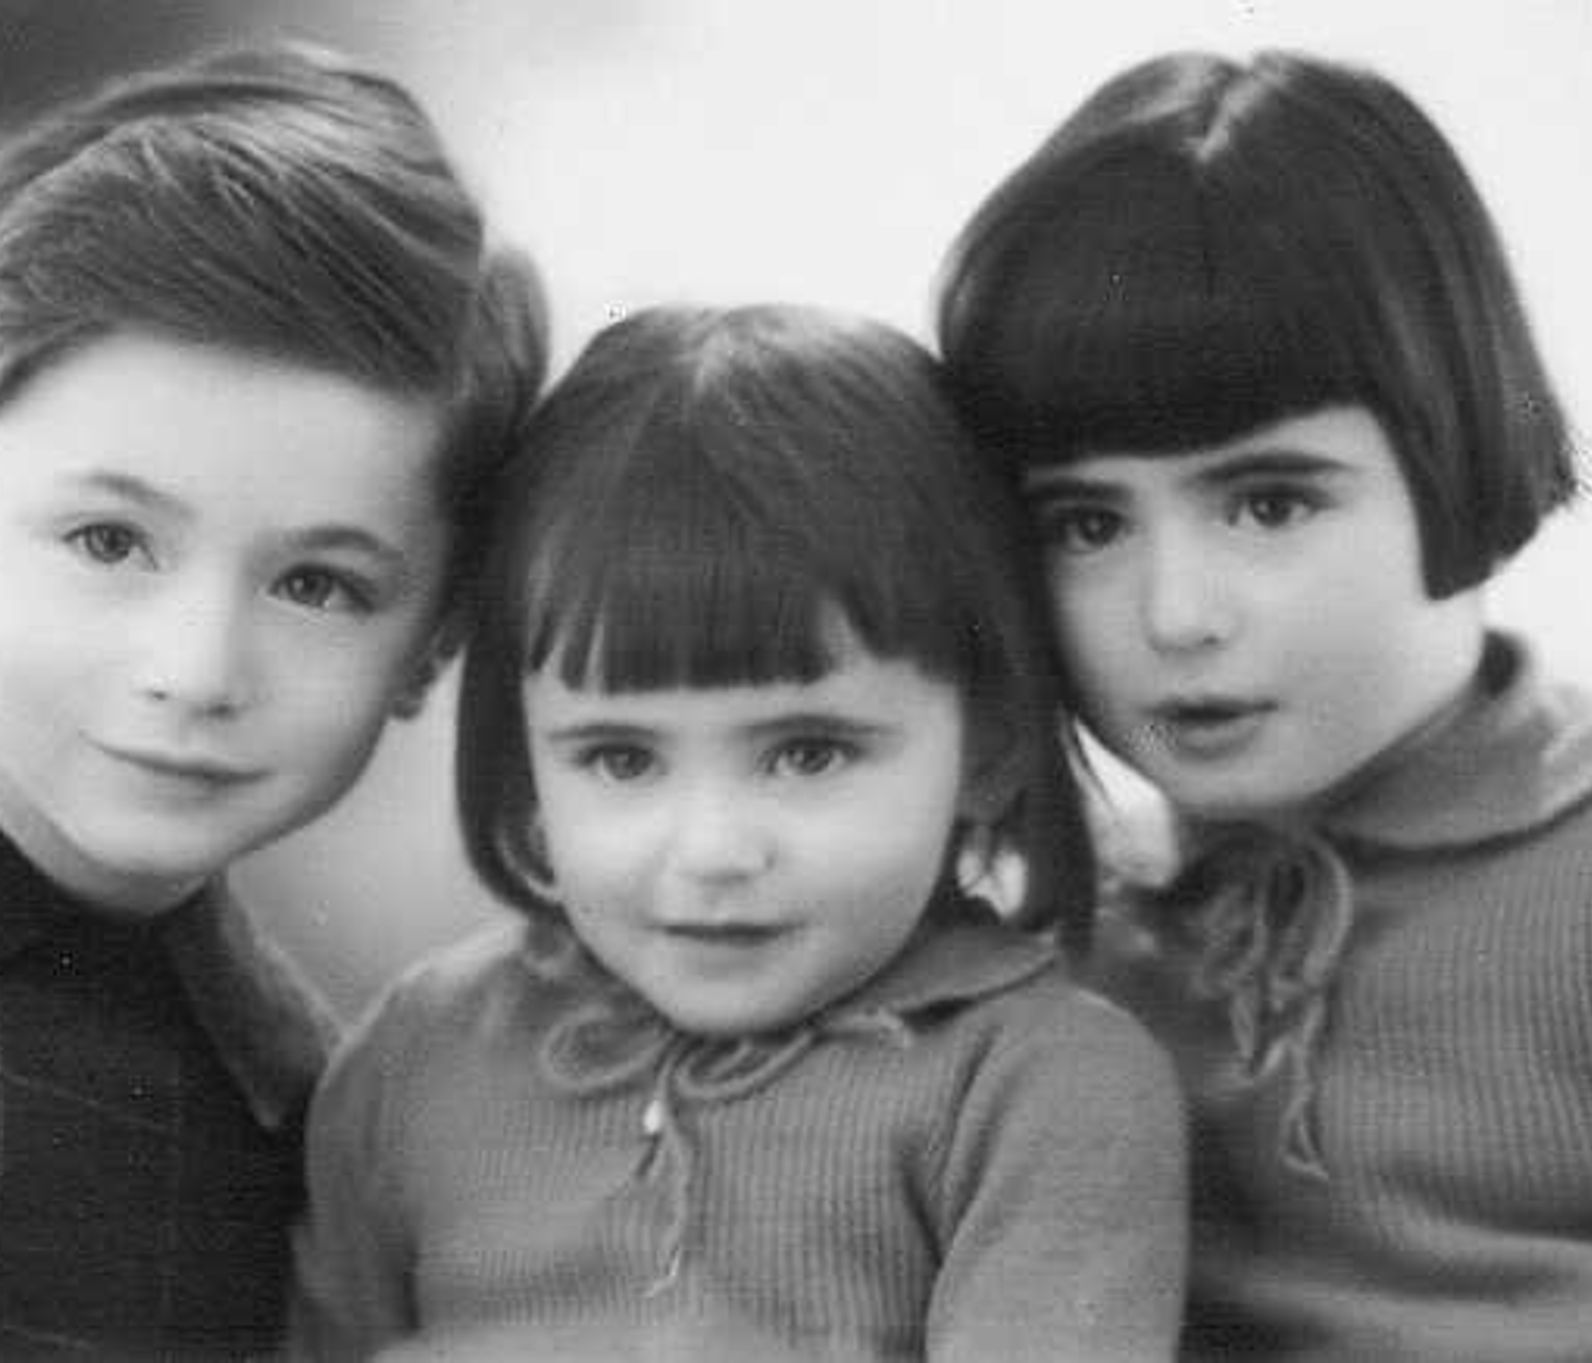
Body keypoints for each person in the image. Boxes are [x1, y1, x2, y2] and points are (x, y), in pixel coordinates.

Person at [0, 42, 545, 1359]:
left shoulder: (315, 1107)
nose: (198, 668)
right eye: (110, 541)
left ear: (432, 644)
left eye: (318, 583)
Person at [936, 47, 1592, 1361]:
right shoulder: (1071, 928)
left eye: (1270, 501)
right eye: (1083, 522)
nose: (1176, 610)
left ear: (1460, 449)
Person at [290, 303, 1186, 1362]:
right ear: (528, 774)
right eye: (620, 758)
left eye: (807, 751)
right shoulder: (415, 1057)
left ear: (986, 747)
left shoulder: (1042, 1088)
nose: (712, 850)